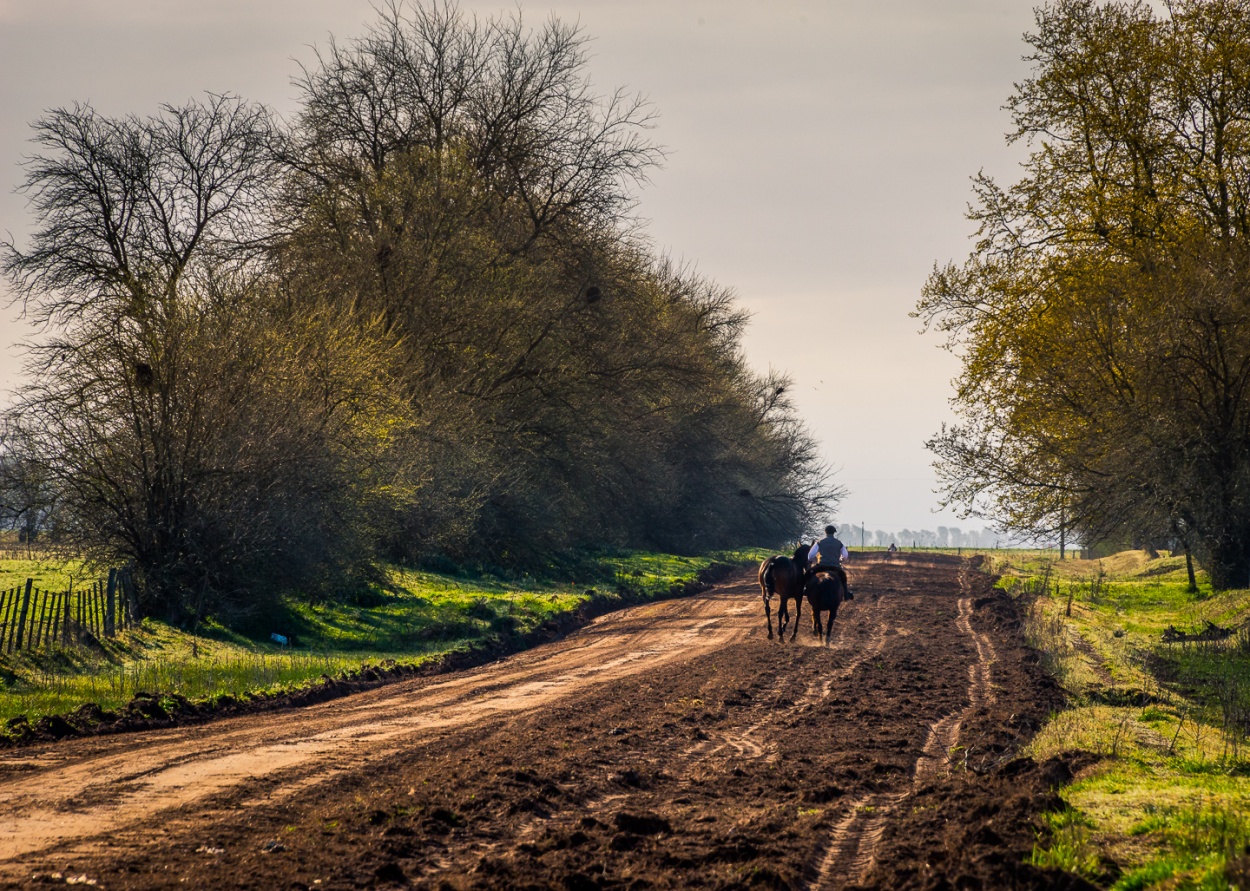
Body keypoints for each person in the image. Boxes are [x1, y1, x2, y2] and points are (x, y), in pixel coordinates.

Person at [808, 525, 852, 597]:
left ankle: (806, 589)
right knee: (843, 577)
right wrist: (841, 560)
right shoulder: (839, 543)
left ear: (825, 532)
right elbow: (845, 555)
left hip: (822, 566)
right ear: (833, 533)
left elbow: (811, 555)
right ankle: (846, 593)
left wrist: (812, 560)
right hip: (835, 567)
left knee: (809, 574)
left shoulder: (819, 542)